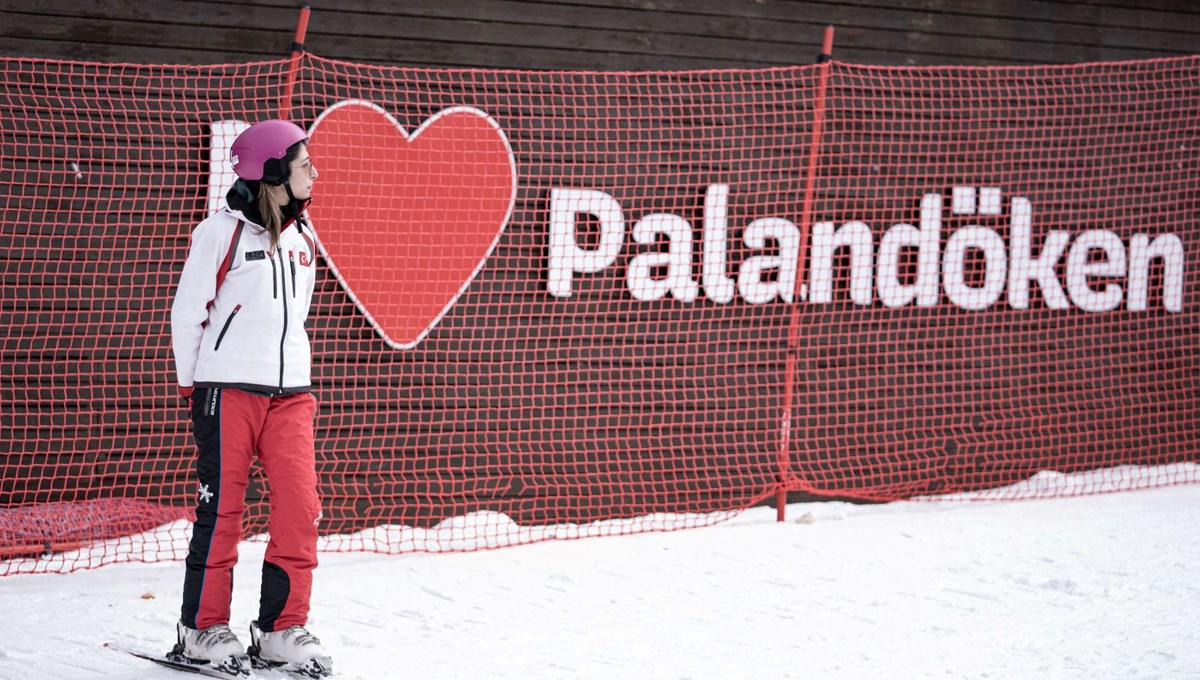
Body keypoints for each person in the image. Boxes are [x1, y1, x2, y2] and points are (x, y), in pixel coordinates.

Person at [169, 119, 331, 678]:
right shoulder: (220, 233)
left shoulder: (305, 238)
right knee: (222, 514)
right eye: (304, 163)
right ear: (272, 171)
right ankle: (203, 629)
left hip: (292, 396)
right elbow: (187, 315)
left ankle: (282, 630)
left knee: (300, 507)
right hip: (227, 391)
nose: (314, 171)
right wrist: (196, 388)